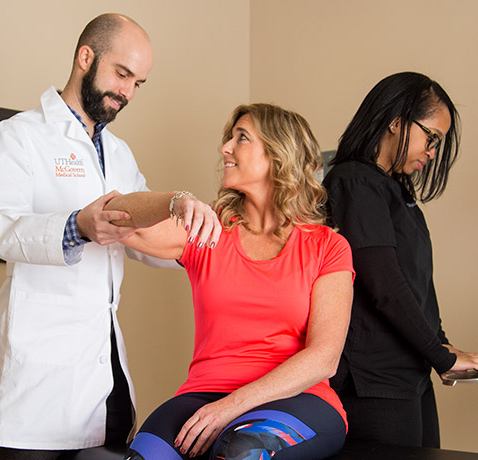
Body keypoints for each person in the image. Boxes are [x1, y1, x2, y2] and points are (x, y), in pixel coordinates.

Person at [0, 14, 220, 460]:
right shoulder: (20, 135)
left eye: (138, 83)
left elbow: (146, 238)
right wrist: (77, 227)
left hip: (103, 369)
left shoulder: (120, 155)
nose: (127, 92)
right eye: (122, 74)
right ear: (85, 58)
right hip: (39, 376)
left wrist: (200, 241)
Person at [104, 103, 354, 460]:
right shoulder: (209, 232)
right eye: (229, 138)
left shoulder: (326, 246)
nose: (225, 148)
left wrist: (231, 406)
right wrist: (175, 201)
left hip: (297, 399)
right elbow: (115, 217)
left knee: (240, 452)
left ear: (278, 153)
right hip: (203, 394)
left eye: (242, 138)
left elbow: (323, 358)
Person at [322, 71, 478, 449]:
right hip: (373, 382)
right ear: (396, 121)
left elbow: (417, 285)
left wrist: (442, 346)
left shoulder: (395, 192)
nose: (432, 152)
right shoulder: (355, 181)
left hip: (410, 375)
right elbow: (383, 284)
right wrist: (439, 356)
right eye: (430, 137)